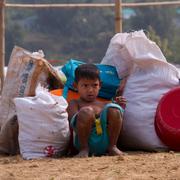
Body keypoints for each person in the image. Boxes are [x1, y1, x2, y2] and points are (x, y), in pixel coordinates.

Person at [67, 63, 126, 157]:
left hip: (105, 141)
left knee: (114, 109)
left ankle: (113, 147)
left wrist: (117, 105)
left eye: (94, 85)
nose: (90, 90)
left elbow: (115, 118)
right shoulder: (74, 103)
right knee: (86, 111)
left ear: (100, 85)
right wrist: (89, 115)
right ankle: (84, 150)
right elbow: (73, 122)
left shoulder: (105, 104)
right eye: (85, 85)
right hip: (84, 141)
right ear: (75, 85)